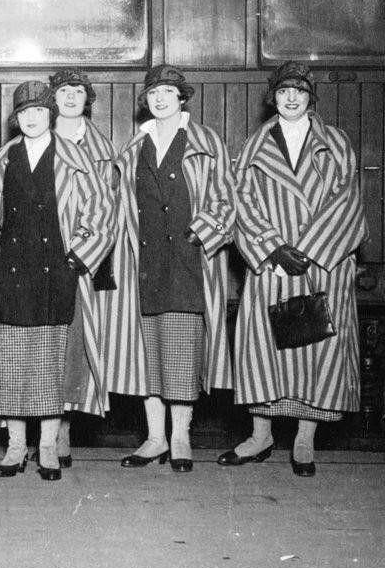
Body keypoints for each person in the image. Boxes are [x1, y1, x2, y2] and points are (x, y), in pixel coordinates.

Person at [0, 80, 118, 482]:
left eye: (39, 112)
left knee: (51, 367)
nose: (31, 119)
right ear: (16, 119)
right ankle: (16, 447)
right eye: (24, 113)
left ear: (51, 115)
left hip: (56, 272)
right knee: (10, 366)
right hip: (7, 274)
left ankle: (47, 446)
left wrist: (76, 261)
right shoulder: (3, 159)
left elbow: (101, 215)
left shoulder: (75, 159)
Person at [225, 63, 366, 477]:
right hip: (272, 263)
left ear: (310, 98)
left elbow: (348, 201)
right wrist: (273, 248)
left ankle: (305, 438)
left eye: (299, 92)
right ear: (273, 97)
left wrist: (307, 251)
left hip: (323, 262)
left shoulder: (336, 142)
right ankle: (261, 434)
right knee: (264, 348)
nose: (291, 98)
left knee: (317, 348)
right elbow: (241, 202)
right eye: (283, 91)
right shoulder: (254, 145)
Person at [110, 65, 236, 473]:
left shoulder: (204, 141)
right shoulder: (135, 145)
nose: (159, 98)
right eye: (153, 93)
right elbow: (119, 205)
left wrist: (199, 234)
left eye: (168, 91)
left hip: (186, 260)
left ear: (182, 98)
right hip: (143, 262)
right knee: (146, 355)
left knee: (181, 353)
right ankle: (154, 438)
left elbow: (225, 199)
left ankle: (180, 437)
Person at [50, 68, 120, 468]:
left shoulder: (102, 146)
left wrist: (84, 252)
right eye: (64, 91)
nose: (72, 97)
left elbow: (110, 207)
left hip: (82, 261)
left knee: (75, 346)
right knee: (43, 344)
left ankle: (63, 428)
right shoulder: (37, 133)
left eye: (79, 91)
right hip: (41, 259)